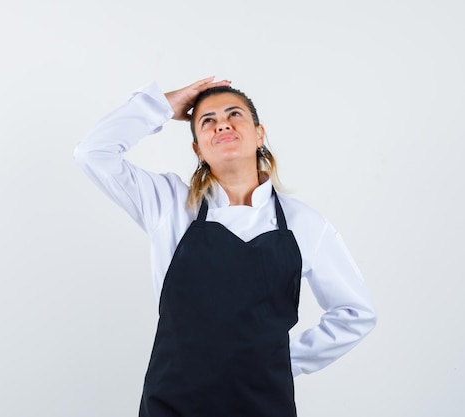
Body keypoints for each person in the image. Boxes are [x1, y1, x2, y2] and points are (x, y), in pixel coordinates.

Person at [73, 76, 376, 417]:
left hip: (263, 404)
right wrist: (161, 105)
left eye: (234, 115)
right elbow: (93, 153)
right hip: (172, 403)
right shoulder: (169, 204)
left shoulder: (303, 223)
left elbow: (357, 313)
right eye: (208, 121)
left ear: (260, 134)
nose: (222, 125)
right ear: (197, 149)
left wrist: (281, 360)